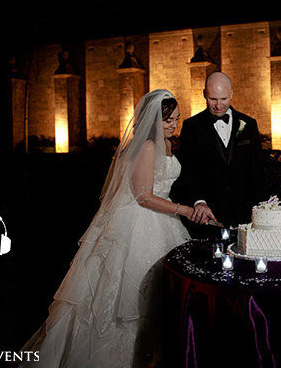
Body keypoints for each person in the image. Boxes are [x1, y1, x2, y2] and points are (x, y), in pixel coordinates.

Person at [19, 89, 213, 367]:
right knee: (128, 298)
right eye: (167, 120)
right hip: (139, 223)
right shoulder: (145, 145)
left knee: (159, 299)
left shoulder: (167, 144)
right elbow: (143, 197)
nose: (173, 125)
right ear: (151, 120)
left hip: (163, 219)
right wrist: (185, 210)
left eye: (176, 119)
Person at [174, 72, 265, 238]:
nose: (218, 105)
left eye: (223, 99)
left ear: (231, 94)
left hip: (245, 214)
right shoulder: (191, 126)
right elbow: (187, 170)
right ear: (204, 95)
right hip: (209, 216)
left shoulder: (249, 124)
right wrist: (198, 201)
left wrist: (260, 209)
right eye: (213, 99)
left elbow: (257, 170)